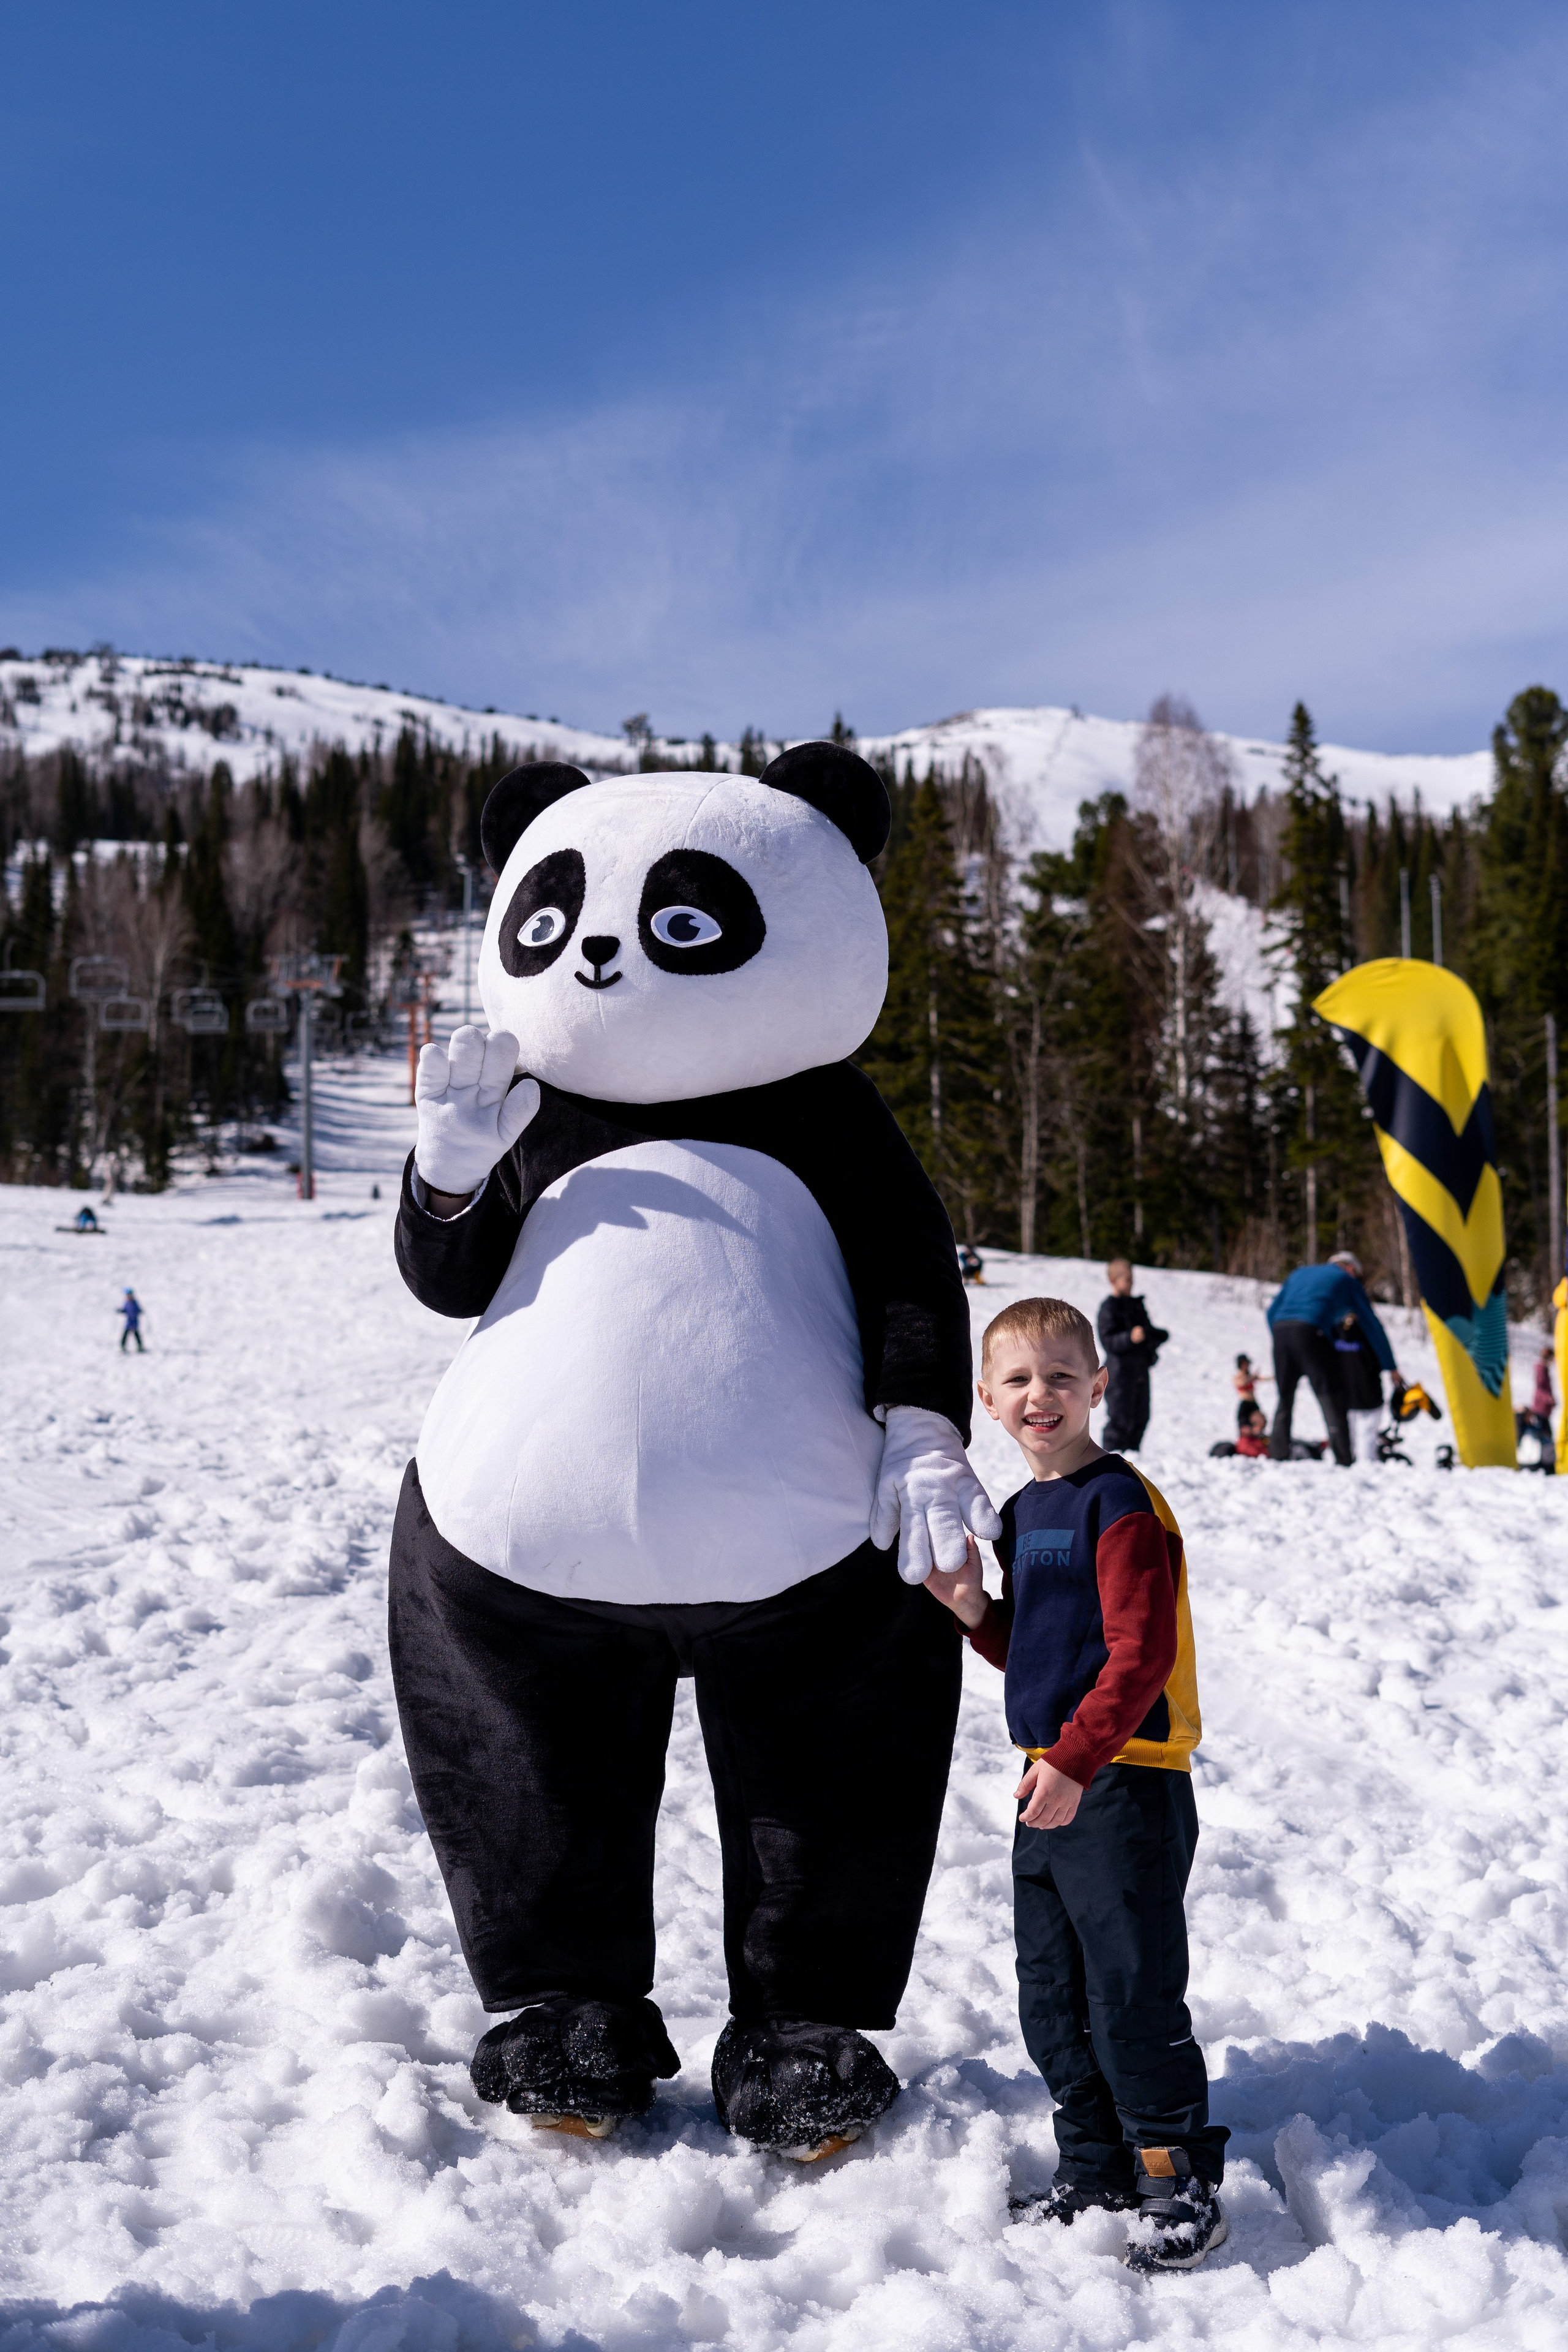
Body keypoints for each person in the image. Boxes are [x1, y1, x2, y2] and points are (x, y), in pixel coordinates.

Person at [924, 1295, 1227, 2272]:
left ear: (1099, 1386)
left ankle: (1176, 2181)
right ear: (988, 1400)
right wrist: (976, 1611)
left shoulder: (1117, 1503)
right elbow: (1045, 1651)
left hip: (1123, 1784)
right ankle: (1092, 2167)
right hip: (1051, 1780)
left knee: (1131, 1989)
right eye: (1017, 1381)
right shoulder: (1022, 1513)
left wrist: (1073, 1760)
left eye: (1060, 1376)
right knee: (1052, 1993)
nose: (1039, 1395)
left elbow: (1138, 1657)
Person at [1267, 1250, 1400, 1467]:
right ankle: (1344, 1459)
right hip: (1311, 1332)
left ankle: (1278, 1454)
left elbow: (1271, 1312)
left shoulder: (1299, 1273)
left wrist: (1284, 1339)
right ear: (1351, 1268)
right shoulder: (1346, 1279)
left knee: (1285, 1398)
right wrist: (1390, 1366)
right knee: (1331, 1396)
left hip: (1281, 1332)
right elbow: (1372, 1325)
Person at [1096, 1260, 1167, 1453]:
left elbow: (1148, 1331)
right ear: (1113, 1280)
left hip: (1140, 1371)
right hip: (1119, 1375)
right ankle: (1111, 1463)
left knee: (1141, 1417)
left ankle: (1134, 1463)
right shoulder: (1109, 1307)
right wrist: (1129, 1337)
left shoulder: (1136, 1305)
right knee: (1120, 1420)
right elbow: (1108, 1341)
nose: (1131, 1284)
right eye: (1127, 1280)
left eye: (1132, 1279)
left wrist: (1154, 1337)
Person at [1333, 1312, 1387, 1463]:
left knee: (1347, 1437)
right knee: (1367, 1438)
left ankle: (1350, 1464)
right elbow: (1382, 1358)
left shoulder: (1334, 1332)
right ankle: (1364, 1464)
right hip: (1369, 1394)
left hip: (1345, 1395)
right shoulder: (1370, 1331)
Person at [118, 1288, 144, 1352]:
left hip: (133, 1322)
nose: (128, 1296)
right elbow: (125, 1310)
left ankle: (140, 1347)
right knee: (126, 1335)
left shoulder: (134, 1303)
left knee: (136, 1334)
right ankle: (123, 1347)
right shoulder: (127, 1303)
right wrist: (121, 1311)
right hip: (129, 1322)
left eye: (129, 1295)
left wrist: (139, 1312)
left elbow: (136, 1311)